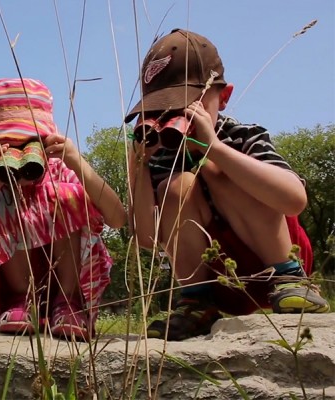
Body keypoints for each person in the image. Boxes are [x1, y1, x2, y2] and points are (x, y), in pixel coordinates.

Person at [125, 28, 330, 341]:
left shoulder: (244, 137)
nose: (170, 118)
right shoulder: (162, 157)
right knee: (174, 187)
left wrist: (216, 150)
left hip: (276, 262)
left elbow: (294, 200)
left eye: (184, 107)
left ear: (223, 97)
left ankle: (291, 279)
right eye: (158, 111)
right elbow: (146, 237)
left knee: (218, 172)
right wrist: (138, 166)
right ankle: (196, 300)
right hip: (219, 281)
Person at [0, 78, 127, 341]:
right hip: (14, 292)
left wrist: (76, 162)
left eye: (29, 144)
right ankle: (20, 299)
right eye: (7, 145)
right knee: (0, 206)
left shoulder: (61, 171)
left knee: (65, 196)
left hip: (62, 283)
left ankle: (67, 301)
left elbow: (117, 218)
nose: (21, 156)